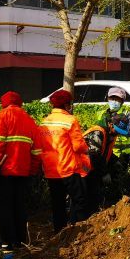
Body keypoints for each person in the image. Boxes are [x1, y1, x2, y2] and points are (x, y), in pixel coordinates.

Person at [0, 90, 42, 259]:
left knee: (4, 207)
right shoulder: (30, 120)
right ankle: (20, 241)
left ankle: (7, 243)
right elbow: (37, 151)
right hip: (23, 171)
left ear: (3, 103)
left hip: (3, 170)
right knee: (19, 206)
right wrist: (32, 170)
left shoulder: (1, 116)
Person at [40, 89, 91, 231]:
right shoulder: (70, 120)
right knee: (79, 201)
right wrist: (87, 149)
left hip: (51, 170)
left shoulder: (44, 122)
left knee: (57, 204)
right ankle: (80, 232)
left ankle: (59, 234)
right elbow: (78, 146)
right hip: (68, 168)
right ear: (67, 105)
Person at [84, 87, 130, 213]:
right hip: (90, 163)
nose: (114, 101)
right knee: (89, 194)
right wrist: (104, 172)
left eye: (118, 99)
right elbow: (95, 153)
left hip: (114, 154)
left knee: (104, 186)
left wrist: (113, 161)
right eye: (112, 98)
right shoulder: (100, 126)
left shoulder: (126, 113)